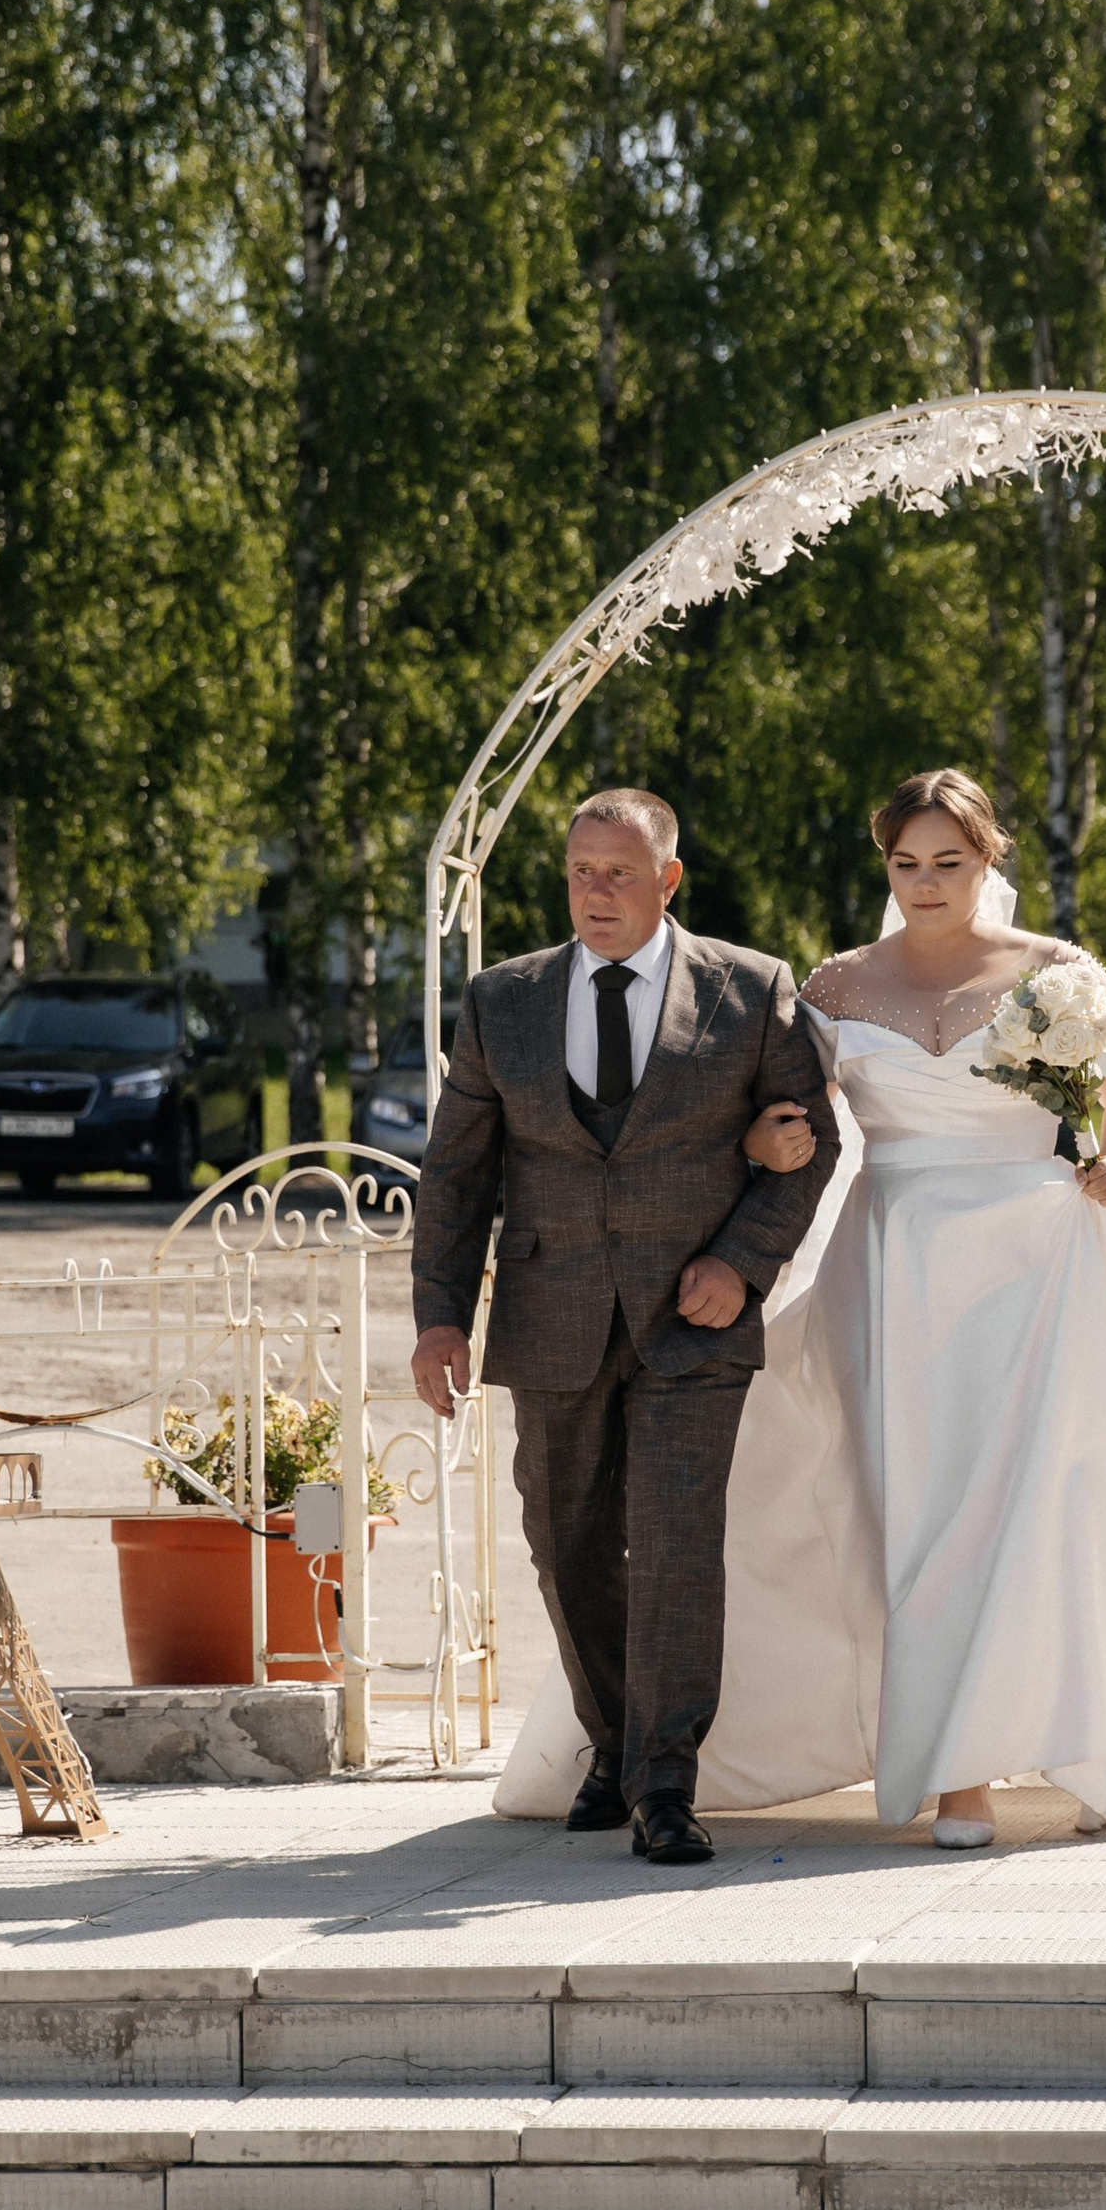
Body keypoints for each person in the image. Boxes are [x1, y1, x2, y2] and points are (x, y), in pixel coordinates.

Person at [494, 766, 1106, 1843]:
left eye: (949, 862)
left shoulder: (1060, 973)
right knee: (912, 1515)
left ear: (989, 862)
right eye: (906, 864)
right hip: (893, 1268)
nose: (926, 882)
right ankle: (762, 1749)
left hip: (1044, 1265)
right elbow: (779, 1111)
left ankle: (970, 1775)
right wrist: (762, 1141)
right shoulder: (838, 986)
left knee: (1031, 1514)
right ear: (884, 867)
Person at [410, 787, 836, 1863]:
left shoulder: (751, 991)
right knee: (566, 1543)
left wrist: (741, 1266)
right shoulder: (501, 1001)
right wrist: (440, 1319)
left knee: (677, 1548)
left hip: (693, 1322)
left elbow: (807, 1141)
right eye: (580, 873)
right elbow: (458, 1175)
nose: (596, 894)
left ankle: (662, 1785)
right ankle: (613, 1739)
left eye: (620, 874)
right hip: (550, 1314)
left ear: (668, 880)